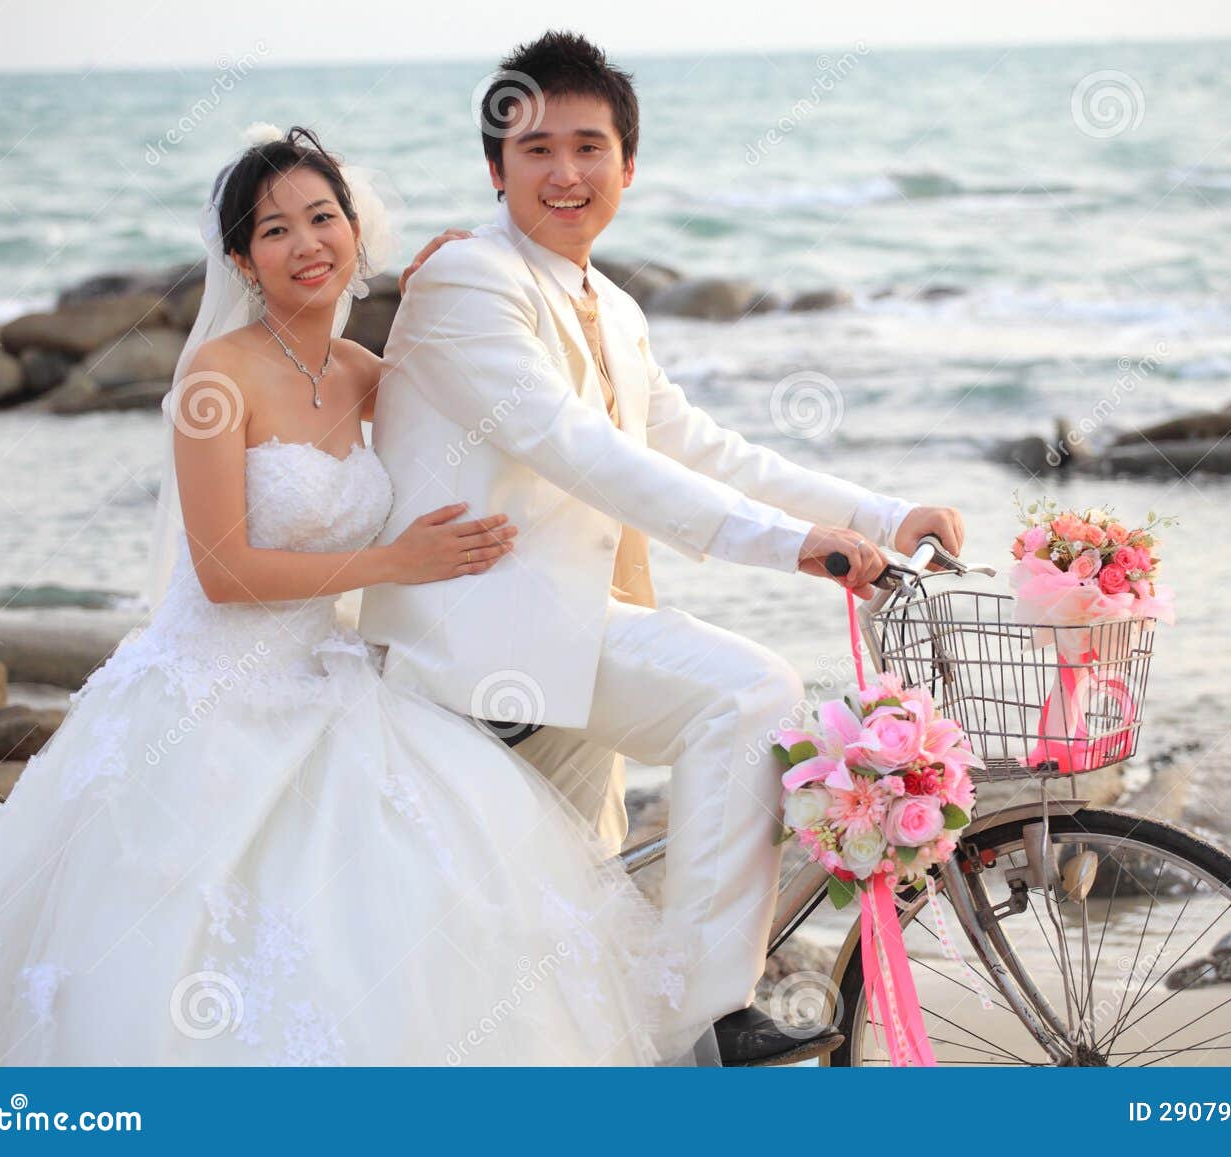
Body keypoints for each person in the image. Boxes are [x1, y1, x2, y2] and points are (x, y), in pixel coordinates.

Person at [0, 125, 701, 1066]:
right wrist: (397, 563)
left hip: (330, 676)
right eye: (275, 230)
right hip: (206, 694)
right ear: (243, 260)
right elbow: (223, 570)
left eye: (323, 218)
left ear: (354, 233)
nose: (307, 243)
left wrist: (463, 266)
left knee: (428, 901)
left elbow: (491, 411)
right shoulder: (216, 374)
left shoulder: (368, 376)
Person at [361, 31, 965, 1066]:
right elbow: (581, 449)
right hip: (488, 638)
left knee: (552, 949)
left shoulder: (614, 307)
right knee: (748, 693)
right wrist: (785, 547)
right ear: (495, 168)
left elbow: (698, 444)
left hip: (573, 628)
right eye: (536, 149)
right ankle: (710, 1024)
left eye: (589, 147)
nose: (565, 172)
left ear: (627, 167)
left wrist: (878, 511)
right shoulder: (468, 282)